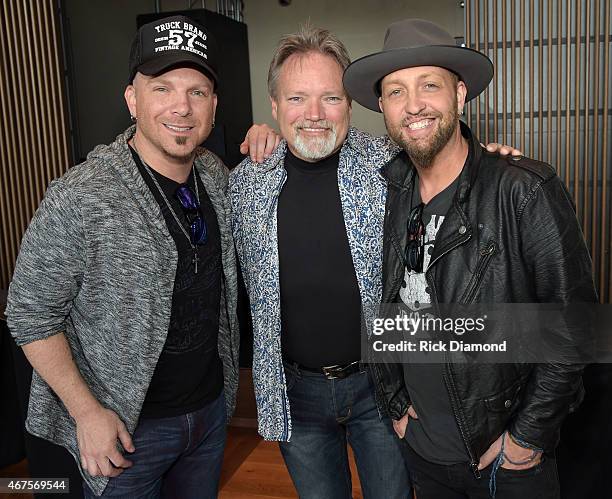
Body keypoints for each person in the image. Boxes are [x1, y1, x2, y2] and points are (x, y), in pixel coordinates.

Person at [230, 25, 519, 499]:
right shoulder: (246, 183)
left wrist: (493, 165)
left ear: (351, 104)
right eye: (298, 99)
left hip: (381, 386)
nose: (315, 115)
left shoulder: (391, 165)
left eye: (331, 98)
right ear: (276, 106)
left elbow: (450, 162)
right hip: (293, 393)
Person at [343, 18, 598, 498]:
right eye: (396, 92)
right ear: (382, 107)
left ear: (459, 95)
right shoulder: (390, 189)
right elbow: (385, 302)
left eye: (429, 85)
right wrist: (396, 406)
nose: (413, 104)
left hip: (505, 459)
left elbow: (575, 327)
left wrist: (525, 439)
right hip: (422, 449)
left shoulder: (522, 191)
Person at [6, 15, 239, 498]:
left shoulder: (215, 176)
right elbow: (28, 315)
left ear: (213, 106)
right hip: (125, 432)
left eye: (197, 92)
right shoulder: (82, 195)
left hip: (209, 416)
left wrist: (271, 142)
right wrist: (87, 413)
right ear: (132, 99)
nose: (182, 106)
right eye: (162, 88)